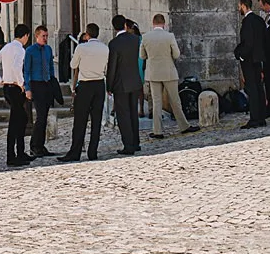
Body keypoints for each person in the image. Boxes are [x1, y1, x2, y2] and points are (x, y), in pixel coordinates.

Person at [58, 22, 109, 162]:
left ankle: (75, 152)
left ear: (87, 34)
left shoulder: (81, 48)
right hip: (99, 84)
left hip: (85, 85)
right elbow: (107, 67)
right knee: (96, 120)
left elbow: (73, 65)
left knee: (80, 120)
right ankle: (93, 152)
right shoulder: (105, 48)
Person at [140, 13, 196, 138]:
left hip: (153, 73)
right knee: (175, 101)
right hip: (168, 72)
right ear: (164, 24)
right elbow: (176, 54)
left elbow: (142, 56)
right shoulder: (169, 36)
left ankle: (157, 131)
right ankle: (183, 126)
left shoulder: (146, 37)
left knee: (156, 103)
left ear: (153, 23)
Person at [0, 22, 33, 167]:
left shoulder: (7, 47)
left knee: (21, 119)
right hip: (15, 88)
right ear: (26, 36)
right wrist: (22, 84)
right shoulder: (20, 50)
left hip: (7, 87)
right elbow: (16, 67)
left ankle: (20, 152)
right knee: (17, 121)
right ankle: (12, 155)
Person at [106, 14, 143, 155]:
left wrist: (109, 86)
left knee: (123, 115)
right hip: (134, 80)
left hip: (121, 84)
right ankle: (136, 142)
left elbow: (112, 67)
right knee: (133, 113)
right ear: (125, 25)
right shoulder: (135, 40)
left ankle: (128, 145)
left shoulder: (114, 44)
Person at [23, 25, 57, 158]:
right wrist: (28, 88)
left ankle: (41, 145)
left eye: (47, 36)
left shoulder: (48, 49)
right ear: (37, 36)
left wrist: (53, 82)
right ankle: (34, 145)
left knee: (44, 116)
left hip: (46, 84)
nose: (45, 38)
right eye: (43, 36)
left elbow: (50, 66)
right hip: (36, 84)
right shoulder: (30, 51)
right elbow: (26, 70)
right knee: (40, 117)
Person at [235, 0, 268, 129]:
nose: (239, 9)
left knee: (252, 88)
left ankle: (255, 118)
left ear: (243, 6)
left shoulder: (247, 22)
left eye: (239, 6)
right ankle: (261, 117)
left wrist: (241, 55)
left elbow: (248, 43)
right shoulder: (259, 20)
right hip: (258, 58)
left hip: (249, 59)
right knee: (259, 87)